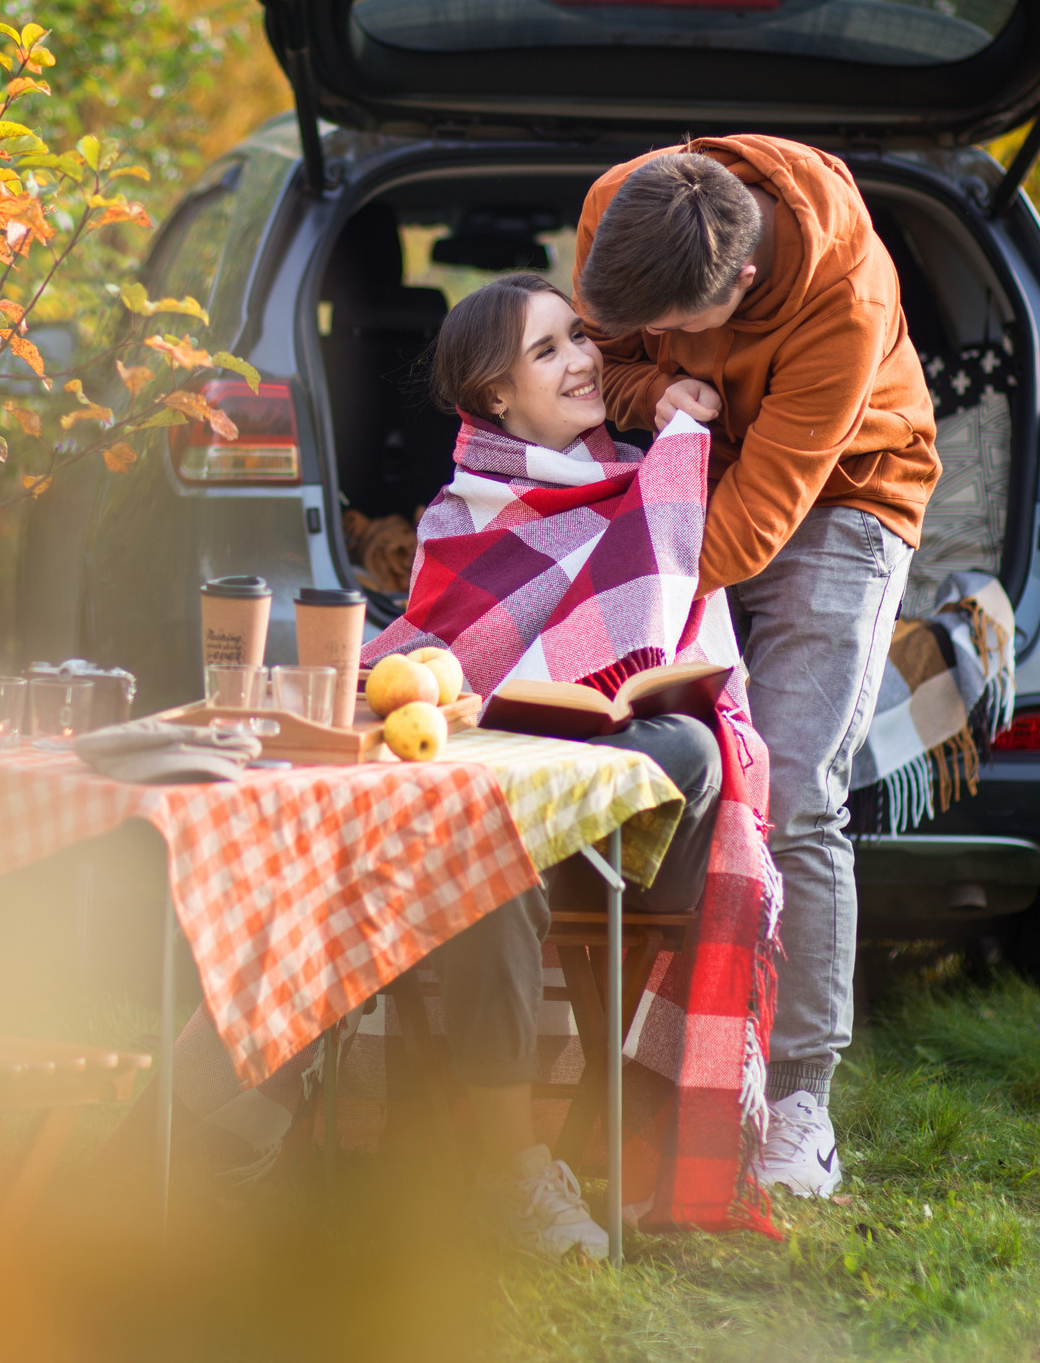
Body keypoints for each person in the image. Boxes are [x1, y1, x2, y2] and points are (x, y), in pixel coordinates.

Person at [361, 271, 778, 1253]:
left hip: (636, 798)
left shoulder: (648, 475)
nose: (583, 360)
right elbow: (442, 656)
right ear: (495, 396)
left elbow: (674, 630)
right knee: (486, 831)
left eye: (580, 337)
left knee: (683, 741)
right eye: (546, 351)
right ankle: (511, 1170)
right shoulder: (462, 516)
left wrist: (678, 437)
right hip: (523, 789)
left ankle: (603, 1124)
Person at [572, 140, 940, 1201]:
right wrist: (661, 392)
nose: (666, 335)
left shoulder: (843, 303)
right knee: (668, 761)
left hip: (844, 495)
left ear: (736, 285)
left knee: (791, 780)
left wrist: (628, 599)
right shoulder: (624, 203)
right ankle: (661, 1060)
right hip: (692, 466)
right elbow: (606, 362)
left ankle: (797, 1101)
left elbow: (747, 532)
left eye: (685, 326)